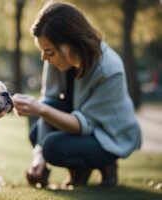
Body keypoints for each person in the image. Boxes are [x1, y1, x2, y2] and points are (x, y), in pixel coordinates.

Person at [12, 2, 141, 188]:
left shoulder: (110, 70)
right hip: (79, 122)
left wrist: (40, 109)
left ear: (70, 43)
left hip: (109, 135)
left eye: (49, 52)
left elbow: (85, 125)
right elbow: (49, 100)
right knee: (38, 134)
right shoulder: (57, 58)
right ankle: (78, 169)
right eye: (43, 52)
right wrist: (38, 157)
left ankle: (106, 164)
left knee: (52, 147)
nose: (44, 58)